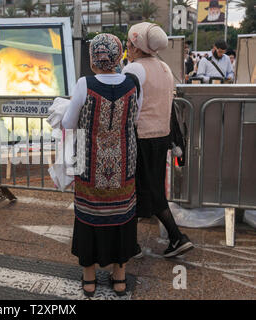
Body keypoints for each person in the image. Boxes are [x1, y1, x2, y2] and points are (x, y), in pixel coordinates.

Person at [62, 33, 140, 297]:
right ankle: (119, 276)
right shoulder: (131, 84)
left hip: (90, 164)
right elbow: (135, 117)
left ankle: (89, 277)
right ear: (118, 57)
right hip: (123, 163)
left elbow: (68, 123)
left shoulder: (85, 84)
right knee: (123, 217)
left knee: (88, 217)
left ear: (93, 57)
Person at [123, 22, 194, 258]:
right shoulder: (164, 67)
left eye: (129, 43)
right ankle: (176, 237)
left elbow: (130, 108)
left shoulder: (133, 70)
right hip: (161, 135)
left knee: (133, 189)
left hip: (139, 136)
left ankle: (133, 245)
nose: (127, 47)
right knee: (152, 188)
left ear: (136, 45)